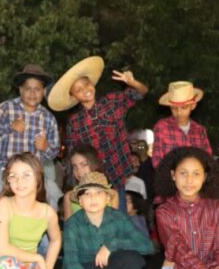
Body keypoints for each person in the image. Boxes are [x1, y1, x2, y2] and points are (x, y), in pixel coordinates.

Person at [50, 56, 149, 202]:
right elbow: (73, 155)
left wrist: (133, 83)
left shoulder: (112, 102)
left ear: (92, 83)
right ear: (74, 97)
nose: (85, 90)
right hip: (93, 183)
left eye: (86, 84)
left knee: (119, 212)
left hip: (118, 176)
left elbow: (141, 93)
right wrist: (77, 180)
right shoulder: (75, 122)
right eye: (78, 90)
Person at [0, 64, 60, 193]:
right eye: (28, 88)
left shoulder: (48, 118)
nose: (32, 93)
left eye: (37, 89)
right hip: (3, 174)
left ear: (44, 91)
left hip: (32, 178)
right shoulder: (4, 109)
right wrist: (9, 127)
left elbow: (54, 152)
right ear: (21, 90)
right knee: (1, 205)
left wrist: (46, 147)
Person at [150, 81, 213, 168]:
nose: (179, 112)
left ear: (193, 106)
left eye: (184, 107)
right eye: (174, 108)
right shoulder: (162, 127)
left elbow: (208, 159)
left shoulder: (200, 130)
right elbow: (157, 161)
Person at [62, 145, 119, 220]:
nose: (79, 171)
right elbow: (68, 225)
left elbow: (114, 223)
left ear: (94, 164)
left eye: (84, 165)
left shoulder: (112, 194)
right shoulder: (69, 196)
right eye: (74, 167)